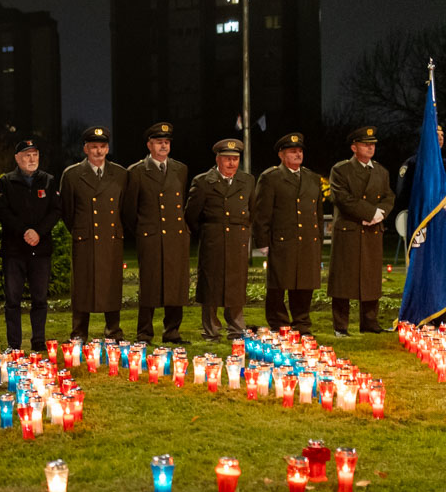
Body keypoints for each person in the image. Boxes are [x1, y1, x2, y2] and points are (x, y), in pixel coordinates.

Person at [123, 122, 189, 344]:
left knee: (176, 285)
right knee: (150, 286)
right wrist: (143, 230)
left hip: (175, 237)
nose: (163, 146)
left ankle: (172, 331)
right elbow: (129, 210)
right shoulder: (137, 171)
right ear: (149, 145)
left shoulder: (180, 169)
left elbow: (181, 202)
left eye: (167, 142)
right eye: (159, 142)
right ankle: (144, 333)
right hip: (150, 237)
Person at [251, 132, 323, 336]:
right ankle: (279, 322)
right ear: (281, 155)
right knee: (279, 284)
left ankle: (301, 322)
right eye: (292, 151)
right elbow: (262, 213)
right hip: (281, 240)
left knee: (304, 284)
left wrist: (318, 239)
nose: (298, 154)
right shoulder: (271, 178)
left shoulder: (312, 177)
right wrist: (262, 241)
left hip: (307, 239)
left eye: (300, 151)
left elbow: (317, 212)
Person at [0, 137, 62, 351]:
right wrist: (24, 231)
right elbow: (2, 212)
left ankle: (38, 341)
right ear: (17, 158)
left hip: (40, 250)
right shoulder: (7, 181)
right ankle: (14, 344)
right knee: (12, 300)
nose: (32, 159)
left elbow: (56, 210)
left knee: (40, 299)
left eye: (35, 155)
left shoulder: (49, 180)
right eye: (27, 155)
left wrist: (38, 232)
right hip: (14, 250)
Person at [59, 126, 126, 342]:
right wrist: (81, 229)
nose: (98, 151)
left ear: (107, 149)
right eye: (94, 147)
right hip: (85, 239)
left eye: (103, 147)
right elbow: (67, 211)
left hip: (111, 238)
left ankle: (113, 331)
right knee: (82, 286)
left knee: (112, 284)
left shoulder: (121, 174)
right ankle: (79, 333)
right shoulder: (72, 175)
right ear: (85, 149)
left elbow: (125, 207)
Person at [327, 126, 396, 336]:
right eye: (366, 145)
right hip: (349, 230)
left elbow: (389, 197)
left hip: (372, 230)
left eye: (372, 145)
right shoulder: (341, 170)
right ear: (354, 147)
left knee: (371, 278)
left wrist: (380, 214)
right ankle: (341, 326)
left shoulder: (381, 171)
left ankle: (369, 322)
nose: (370, 148)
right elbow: (343, 198)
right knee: (343, 280)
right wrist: (370, 213)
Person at [185, 139, 254, 341]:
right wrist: (208, 232)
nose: (232, 163)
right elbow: (191, 215)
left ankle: (236, 329)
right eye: (227, 159)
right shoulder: (203, 181)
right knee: (210, 285)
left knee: (236, 285)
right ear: (218, 159)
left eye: (235, 159)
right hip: (213, 241)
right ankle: (211, 330)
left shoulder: (247, 180)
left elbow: (253, 210)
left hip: (237, 241)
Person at [394, 123, 444, 215]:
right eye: (436, 135)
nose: (441, 138)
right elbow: (402, 194)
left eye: (442, 135)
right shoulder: (413, 163)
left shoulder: (444, 163)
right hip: (420, 215)